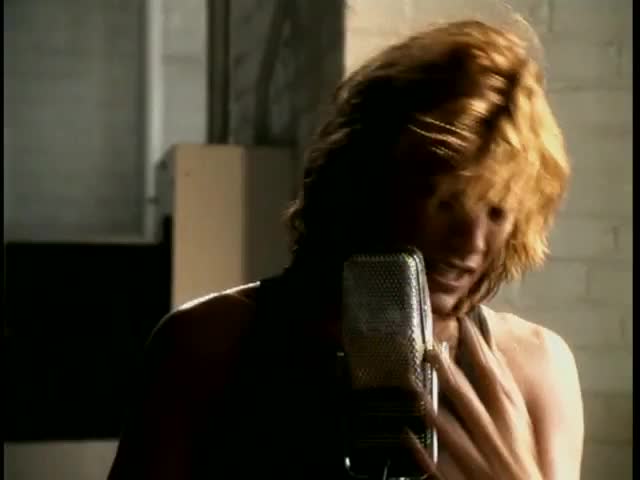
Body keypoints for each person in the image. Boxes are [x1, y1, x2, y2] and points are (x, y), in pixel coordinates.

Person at [108, 18, 584, 480]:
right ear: (370, 178)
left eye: (497, 212)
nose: (471, 243)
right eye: (447, 202)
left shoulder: (534, 367)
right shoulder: (209, 342)